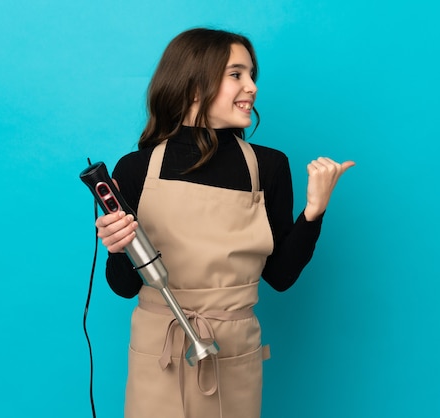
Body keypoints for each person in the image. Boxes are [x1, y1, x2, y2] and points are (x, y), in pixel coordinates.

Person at [95, 28, 354, 418]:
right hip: (158, 351)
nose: (251, 87)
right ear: (194, 84)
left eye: (252, 75)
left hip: (232, 353)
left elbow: (280, 277)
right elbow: (123, 285)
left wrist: (313, 213)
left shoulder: (269, 167)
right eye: (237, 74)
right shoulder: (136, 169)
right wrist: (118, 246)